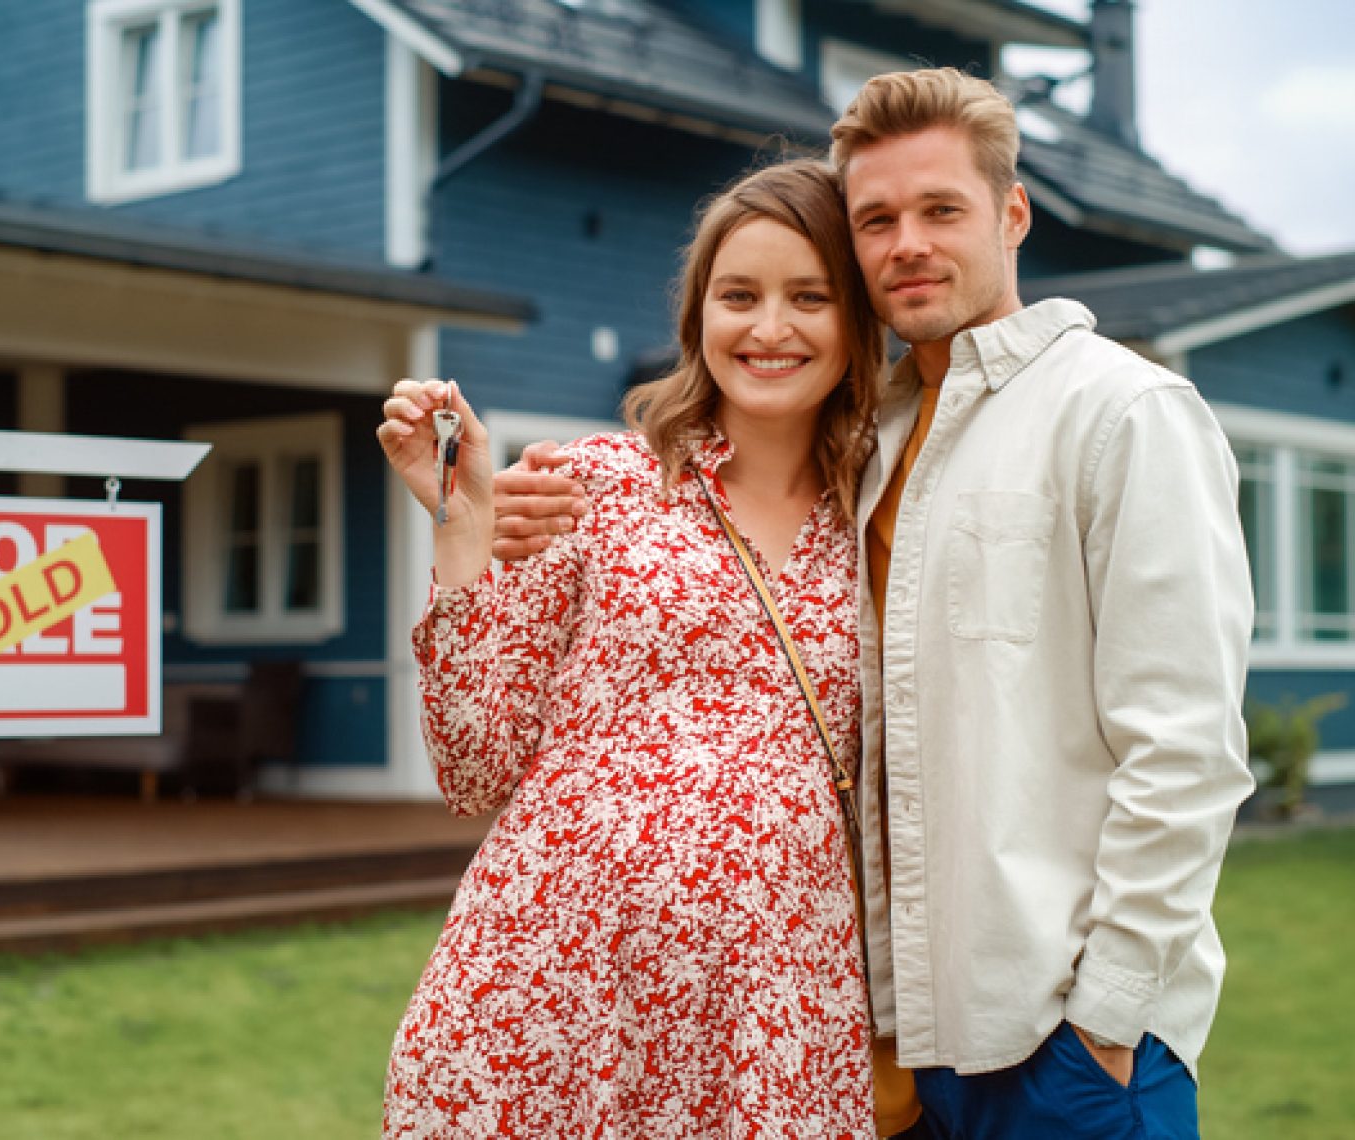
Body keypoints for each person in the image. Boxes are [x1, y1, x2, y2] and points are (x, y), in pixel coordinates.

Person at [493, 69, 1255, 1140]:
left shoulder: (1120, 412)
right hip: (895, 1048)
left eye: (940, 209)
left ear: (1012, 213)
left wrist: (1108, 1015)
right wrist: (511, 520)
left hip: (1064, 1044)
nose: (907, 243)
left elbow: (1183, 748)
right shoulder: (876, 437)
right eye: (875, 219)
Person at [376, 158, 886, 1137]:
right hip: (556, 997)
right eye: (737, 295)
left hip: (769, 1013)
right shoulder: (596, 485)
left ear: (854, 322)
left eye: (808, 297)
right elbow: (472, 763)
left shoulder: (887, 514)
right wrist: (459, 517)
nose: (768, 328)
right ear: (698, 315)